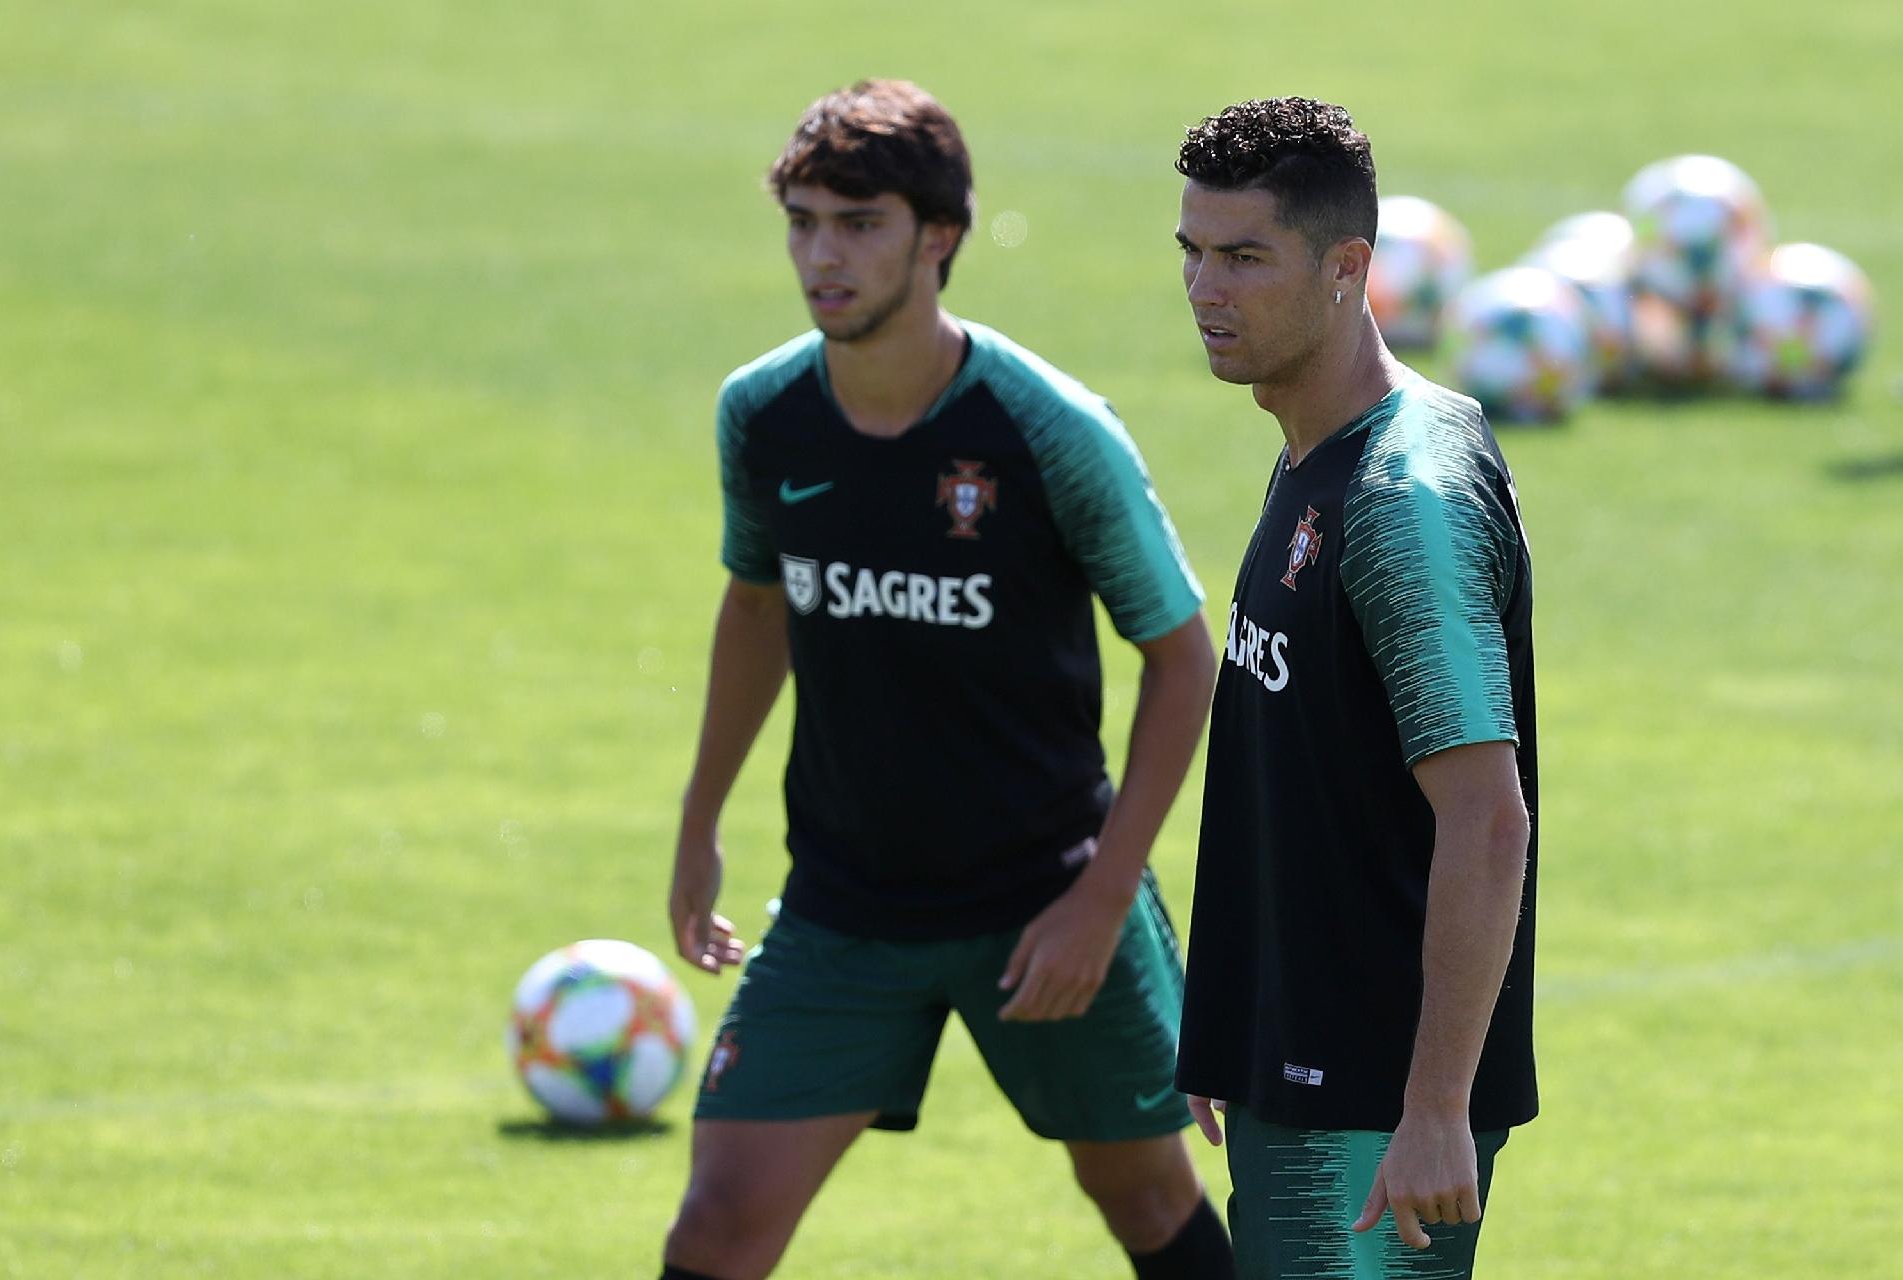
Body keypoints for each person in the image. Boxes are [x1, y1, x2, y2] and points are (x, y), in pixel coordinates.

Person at [659, 79, 1234, 1280]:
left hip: (1044, 899)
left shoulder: (1048, 430)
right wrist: (699, 820)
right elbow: (757, 601)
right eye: (804, 221)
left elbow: (1184, 658)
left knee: (1140, 1194)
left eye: (858, 224)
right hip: (844, 905)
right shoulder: (763, 414)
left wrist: (1100, 897)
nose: (823, 255)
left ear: (939, 237)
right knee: (718, 1222)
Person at [1168, 97, 1540, 1279]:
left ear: (1347, 268)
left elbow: (1486, 815)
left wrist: (1436, 1105)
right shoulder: (1316, 458)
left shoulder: (1399, 502)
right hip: (1303, 1060)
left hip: (1373, 1105)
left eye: (1242, 258)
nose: (1204, 289)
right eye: (1191, 251)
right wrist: (1237, 1017)